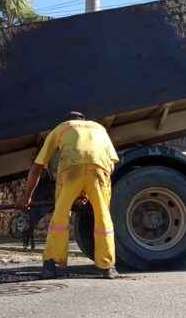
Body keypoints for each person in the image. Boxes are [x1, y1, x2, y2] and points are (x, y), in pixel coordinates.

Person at [18, 112, 119, 279]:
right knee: (103, 216)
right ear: (83, 120)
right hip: (100, 170)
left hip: (71, 169)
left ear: (67, 121)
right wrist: (88, 190)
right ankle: (107, 266)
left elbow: (38, 166)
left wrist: (27, 197)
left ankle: (51, 263)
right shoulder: (99, 128)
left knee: (60, 216)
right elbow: (111, 162)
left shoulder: (61, 128)